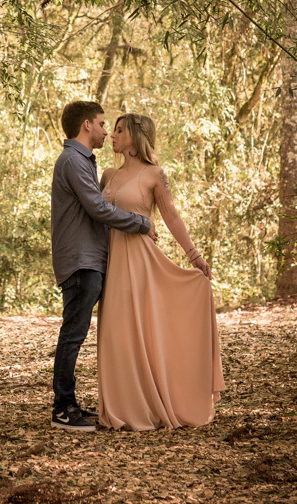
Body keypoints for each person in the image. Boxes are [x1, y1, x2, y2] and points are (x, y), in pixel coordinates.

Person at [97, 114, 225, 430]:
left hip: (141, 263)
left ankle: (150, 407)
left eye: (119, 130)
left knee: (139, 332)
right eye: (112, 129)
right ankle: (122, 407)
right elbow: (95, 215)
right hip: (111, 263)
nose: (112, 135)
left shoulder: (155, 174)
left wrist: (194, 255)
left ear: (135, 136)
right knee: (114, 335)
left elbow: (171, 216)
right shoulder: (108, 174)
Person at [50, 101, 155, 432]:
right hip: (80, 260)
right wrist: (141, 223)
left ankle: (69, 403)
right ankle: (63, 409)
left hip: (89, 258)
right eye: (101, 123)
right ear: (86, 125)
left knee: (76, 333)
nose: (106, 131)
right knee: (73, 334)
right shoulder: (73, 161)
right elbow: (97, 208)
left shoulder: (82, 161)